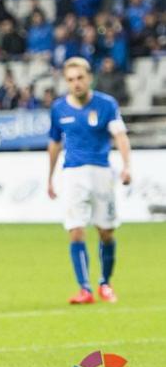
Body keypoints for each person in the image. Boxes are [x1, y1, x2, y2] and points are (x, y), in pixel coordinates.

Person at [47, 57, 132, 305]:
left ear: (89, 77)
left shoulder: (107, 104)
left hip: (101, 173)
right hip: (72, 172)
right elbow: (54, 143)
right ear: (66, 81)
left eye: (80, 78)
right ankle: (84, 289)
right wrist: (50, 177)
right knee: (75, 230)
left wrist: (127, 166)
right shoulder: (59, 108)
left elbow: (120, 136)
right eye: (71, 79)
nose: (76, 83)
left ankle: (105, 282)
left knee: (105, 231)